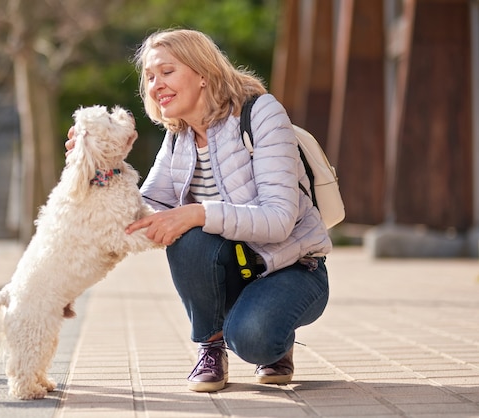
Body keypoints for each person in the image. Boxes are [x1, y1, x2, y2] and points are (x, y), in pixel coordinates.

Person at [67, 28, 332, 393]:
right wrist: (99, 168)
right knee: (185, 237)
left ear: (203, 73)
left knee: (253, 340)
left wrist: (197, 213)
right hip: (236, 266)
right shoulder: (179, 134)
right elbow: (145, 216)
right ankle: (210, 345)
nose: (155, 84)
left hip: (294, 267)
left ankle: (274, 340)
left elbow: (279, 219)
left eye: (167, 71)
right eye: (149, 77)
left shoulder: (261, 113)